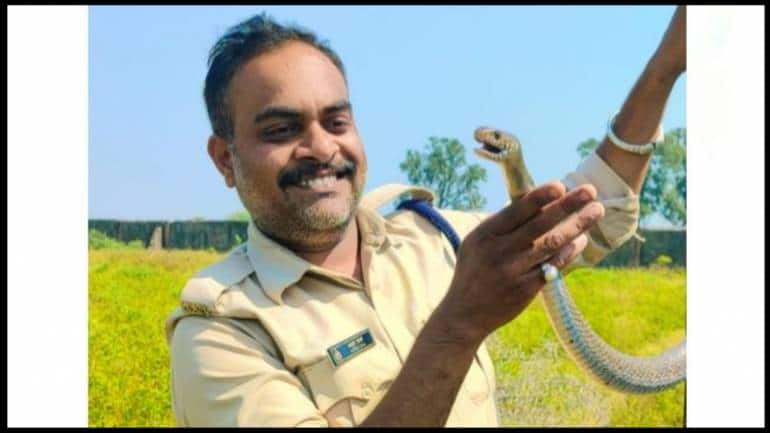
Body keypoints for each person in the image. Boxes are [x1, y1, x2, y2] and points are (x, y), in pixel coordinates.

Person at [165, 6, 685, 427]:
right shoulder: (221, 331)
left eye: (336, 120)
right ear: (223, 158)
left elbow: (600, 208)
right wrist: (459, 323)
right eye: (281, 130)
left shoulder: (434, 238)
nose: (322, 148)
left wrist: (666, 65)